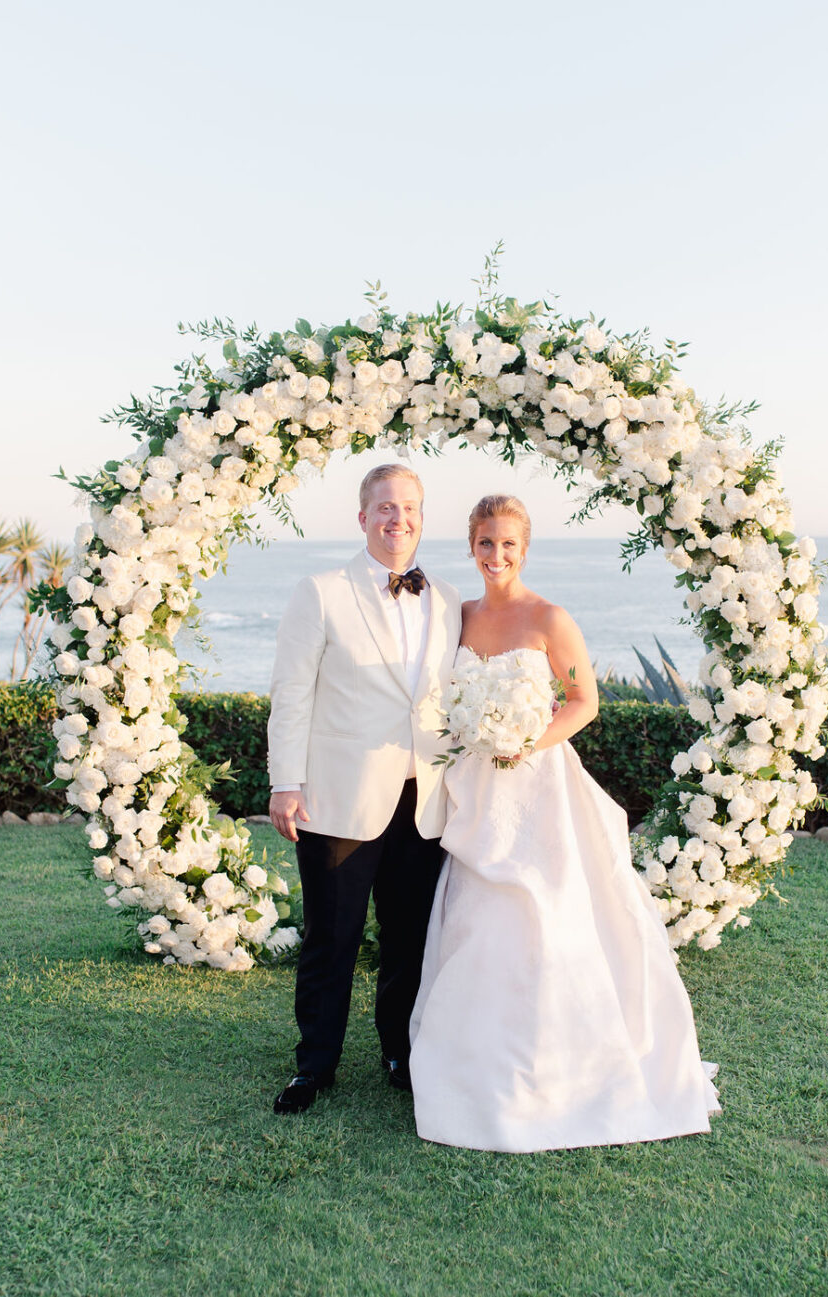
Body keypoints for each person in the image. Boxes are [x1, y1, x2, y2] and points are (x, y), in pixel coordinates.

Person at [409, 494, 720, 1152]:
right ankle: (475, 1069)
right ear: (472, 545)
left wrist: (529, 738)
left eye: (510, 545)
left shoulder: (549, 617)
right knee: (477, 920)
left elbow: (583, 700)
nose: (497, 555)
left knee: (544, 918)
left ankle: (561, 1066)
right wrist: (474, 728)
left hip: (539, 785)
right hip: (477, 791)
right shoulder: (458, 617)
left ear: (526, 549)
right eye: (487, 543)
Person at [267, 464, 462, 1113]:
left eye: (408, 508)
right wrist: (284, 782)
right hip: (339, 795)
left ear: (422, 518)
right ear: (362, 517)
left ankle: (399, 1050)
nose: (396, 518)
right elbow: (291, 692)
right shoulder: (320, 591)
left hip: (422, 795)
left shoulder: (448, 600)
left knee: (408, 934)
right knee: (333, 934)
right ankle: (314, 1064)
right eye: (384, 507)